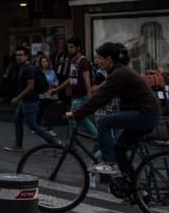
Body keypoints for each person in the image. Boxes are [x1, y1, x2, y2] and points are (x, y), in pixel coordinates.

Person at [68, 42, 161, 178]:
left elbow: (101, 97)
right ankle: (132, 187)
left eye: (100, 58)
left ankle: (108, 162)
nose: (98, 61)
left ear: (109, 59)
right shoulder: (118, 72)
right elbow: (102, 96)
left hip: (145, 114)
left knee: (104, 122)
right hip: (145, 113)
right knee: (119, 150)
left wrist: (76, 113)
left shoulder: (119, 73)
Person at [5, 46, 60, 152]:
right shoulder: (22, 67)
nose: (18, 57)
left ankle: (53, 142)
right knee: (17, 120)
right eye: (17, 55)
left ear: (27, 56)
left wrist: (17, 97)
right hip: (24, 100)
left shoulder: (29, 68)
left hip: (30, 100)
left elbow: (31, 87)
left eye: (21, 55)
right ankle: (18, 144)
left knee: (33, 125)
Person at [52, 38, 98, 140]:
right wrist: (58, 89)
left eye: (71, 47)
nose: (69, 49)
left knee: (72, 117)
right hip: (75, 95)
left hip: (82, 96)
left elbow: (86, 78)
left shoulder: (83, 60)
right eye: (68, 47)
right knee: (80, 118)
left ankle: (75, 143)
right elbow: (70, 78)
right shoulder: (73, 60)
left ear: (78, 48)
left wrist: (90, 94)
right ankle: (96, 139)